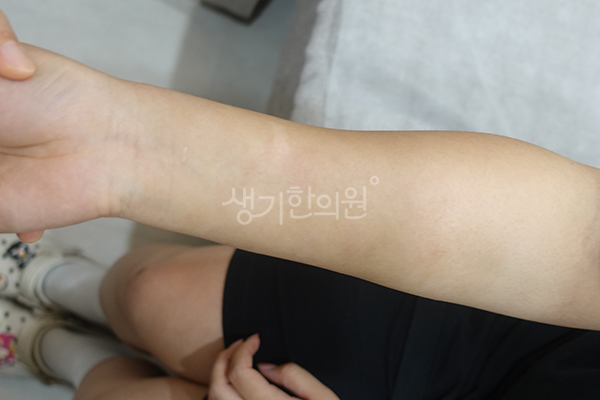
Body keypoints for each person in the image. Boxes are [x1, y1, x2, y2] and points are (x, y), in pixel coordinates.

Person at [2, 8, 600, 399]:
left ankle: (52, 349)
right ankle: (58, 281)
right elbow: (581, 247)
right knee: (151, 294)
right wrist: (119, 145)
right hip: (525, 333)